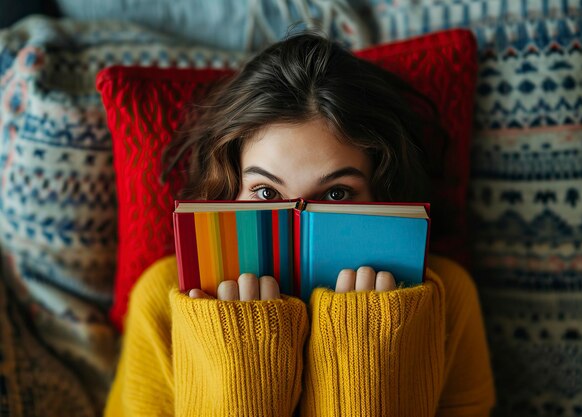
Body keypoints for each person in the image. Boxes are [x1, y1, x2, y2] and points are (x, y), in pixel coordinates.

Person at [105, 32, 495, 417]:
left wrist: (366, 360)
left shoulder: (447, 296)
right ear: (229, 190)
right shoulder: (163, 296)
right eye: (266, 193)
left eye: (337, 194)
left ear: (382, 193)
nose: (299, 219)